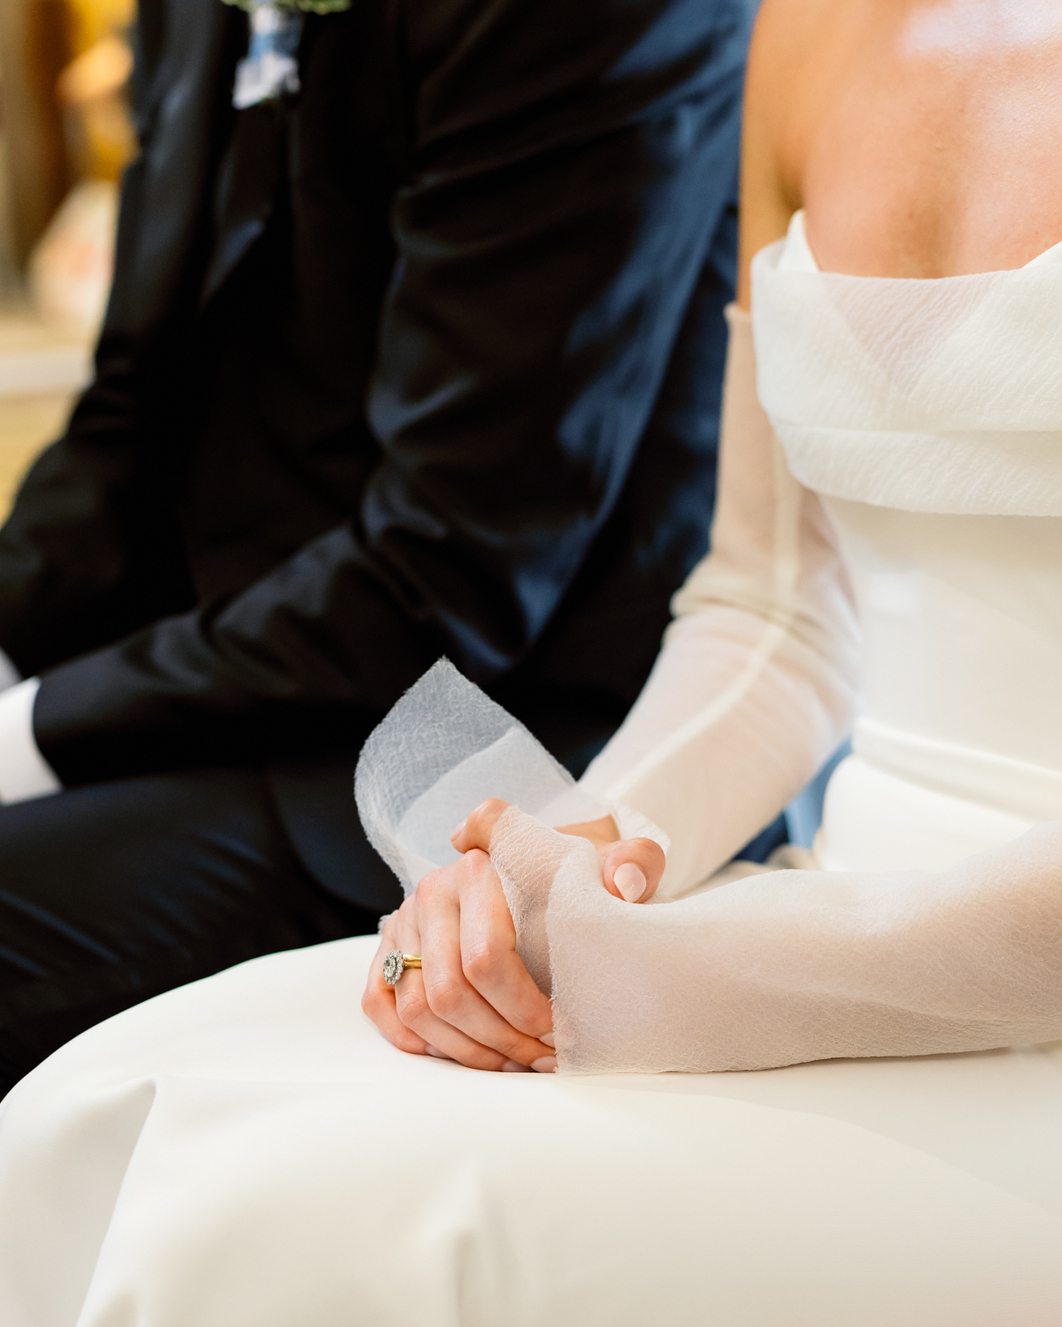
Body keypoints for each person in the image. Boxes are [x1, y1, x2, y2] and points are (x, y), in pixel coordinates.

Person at [5, 1, 1062, 1327]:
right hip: (820, 937)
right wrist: (576, 860)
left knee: (284, 1267)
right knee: (81, 1122)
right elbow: (775, 612)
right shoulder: (813, 28)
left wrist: (716, 978)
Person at [0, 0, 750, 1093]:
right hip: (226, 689)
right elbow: (130, 420)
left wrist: (24, 738)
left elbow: (443, 572)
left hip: (487, 749)